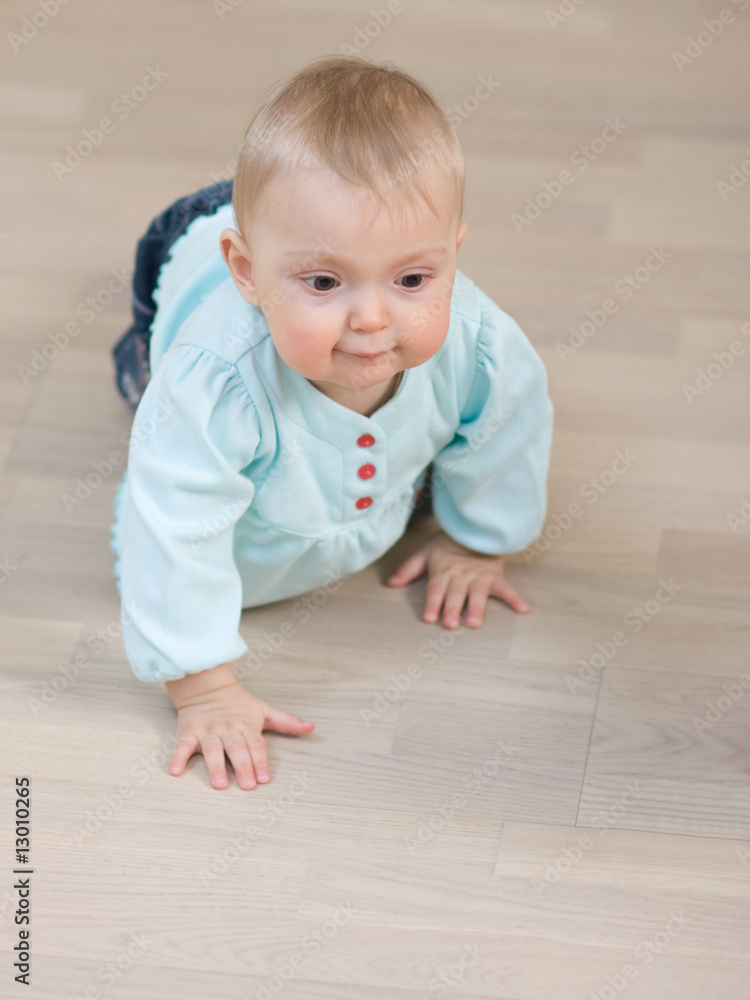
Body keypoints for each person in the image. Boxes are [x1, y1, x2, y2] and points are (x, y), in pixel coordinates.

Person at [108, 54, 554, 792]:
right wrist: (204, 687)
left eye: (412, 279)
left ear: (453, 255)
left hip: (279, 239)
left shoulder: (477, 339)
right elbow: (171, 517)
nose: (373, 318)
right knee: (151, 403)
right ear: (247, 273)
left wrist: (478, 538)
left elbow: (508, 423)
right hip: (183, 258)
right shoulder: (213, 380)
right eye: (324, 281)